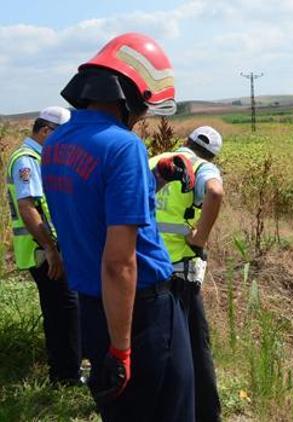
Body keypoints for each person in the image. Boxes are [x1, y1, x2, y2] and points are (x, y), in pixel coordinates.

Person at [41, 33, 196, 421]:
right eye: (143, 107)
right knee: (170, 411)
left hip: (93, 307)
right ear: (129, 96)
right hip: (139, 311)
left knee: (121, 411)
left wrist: (154, 178)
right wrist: (122, 348)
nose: (143, 116)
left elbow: (92, 206)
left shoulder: (56, 144)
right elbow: (119, 263)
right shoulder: (123, 146)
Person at [150, 126, 224, 422]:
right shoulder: (202, 167)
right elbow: (215, 192)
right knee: (195, 342)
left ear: (185, 142)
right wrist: (201, 237)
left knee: (158, 343)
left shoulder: (155, 161)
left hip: (146, 265)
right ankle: (205, 413)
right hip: (179, 271)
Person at [6, 106, 82, 385]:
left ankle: (66, 370)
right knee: (63, 310)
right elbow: (28, 207)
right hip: (42, 251)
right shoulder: (27, 160)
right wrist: (50, 249)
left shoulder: (40, 157)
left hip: (49, 248)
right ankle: (66, 376)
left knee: (62, 309)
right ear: (45, 131)